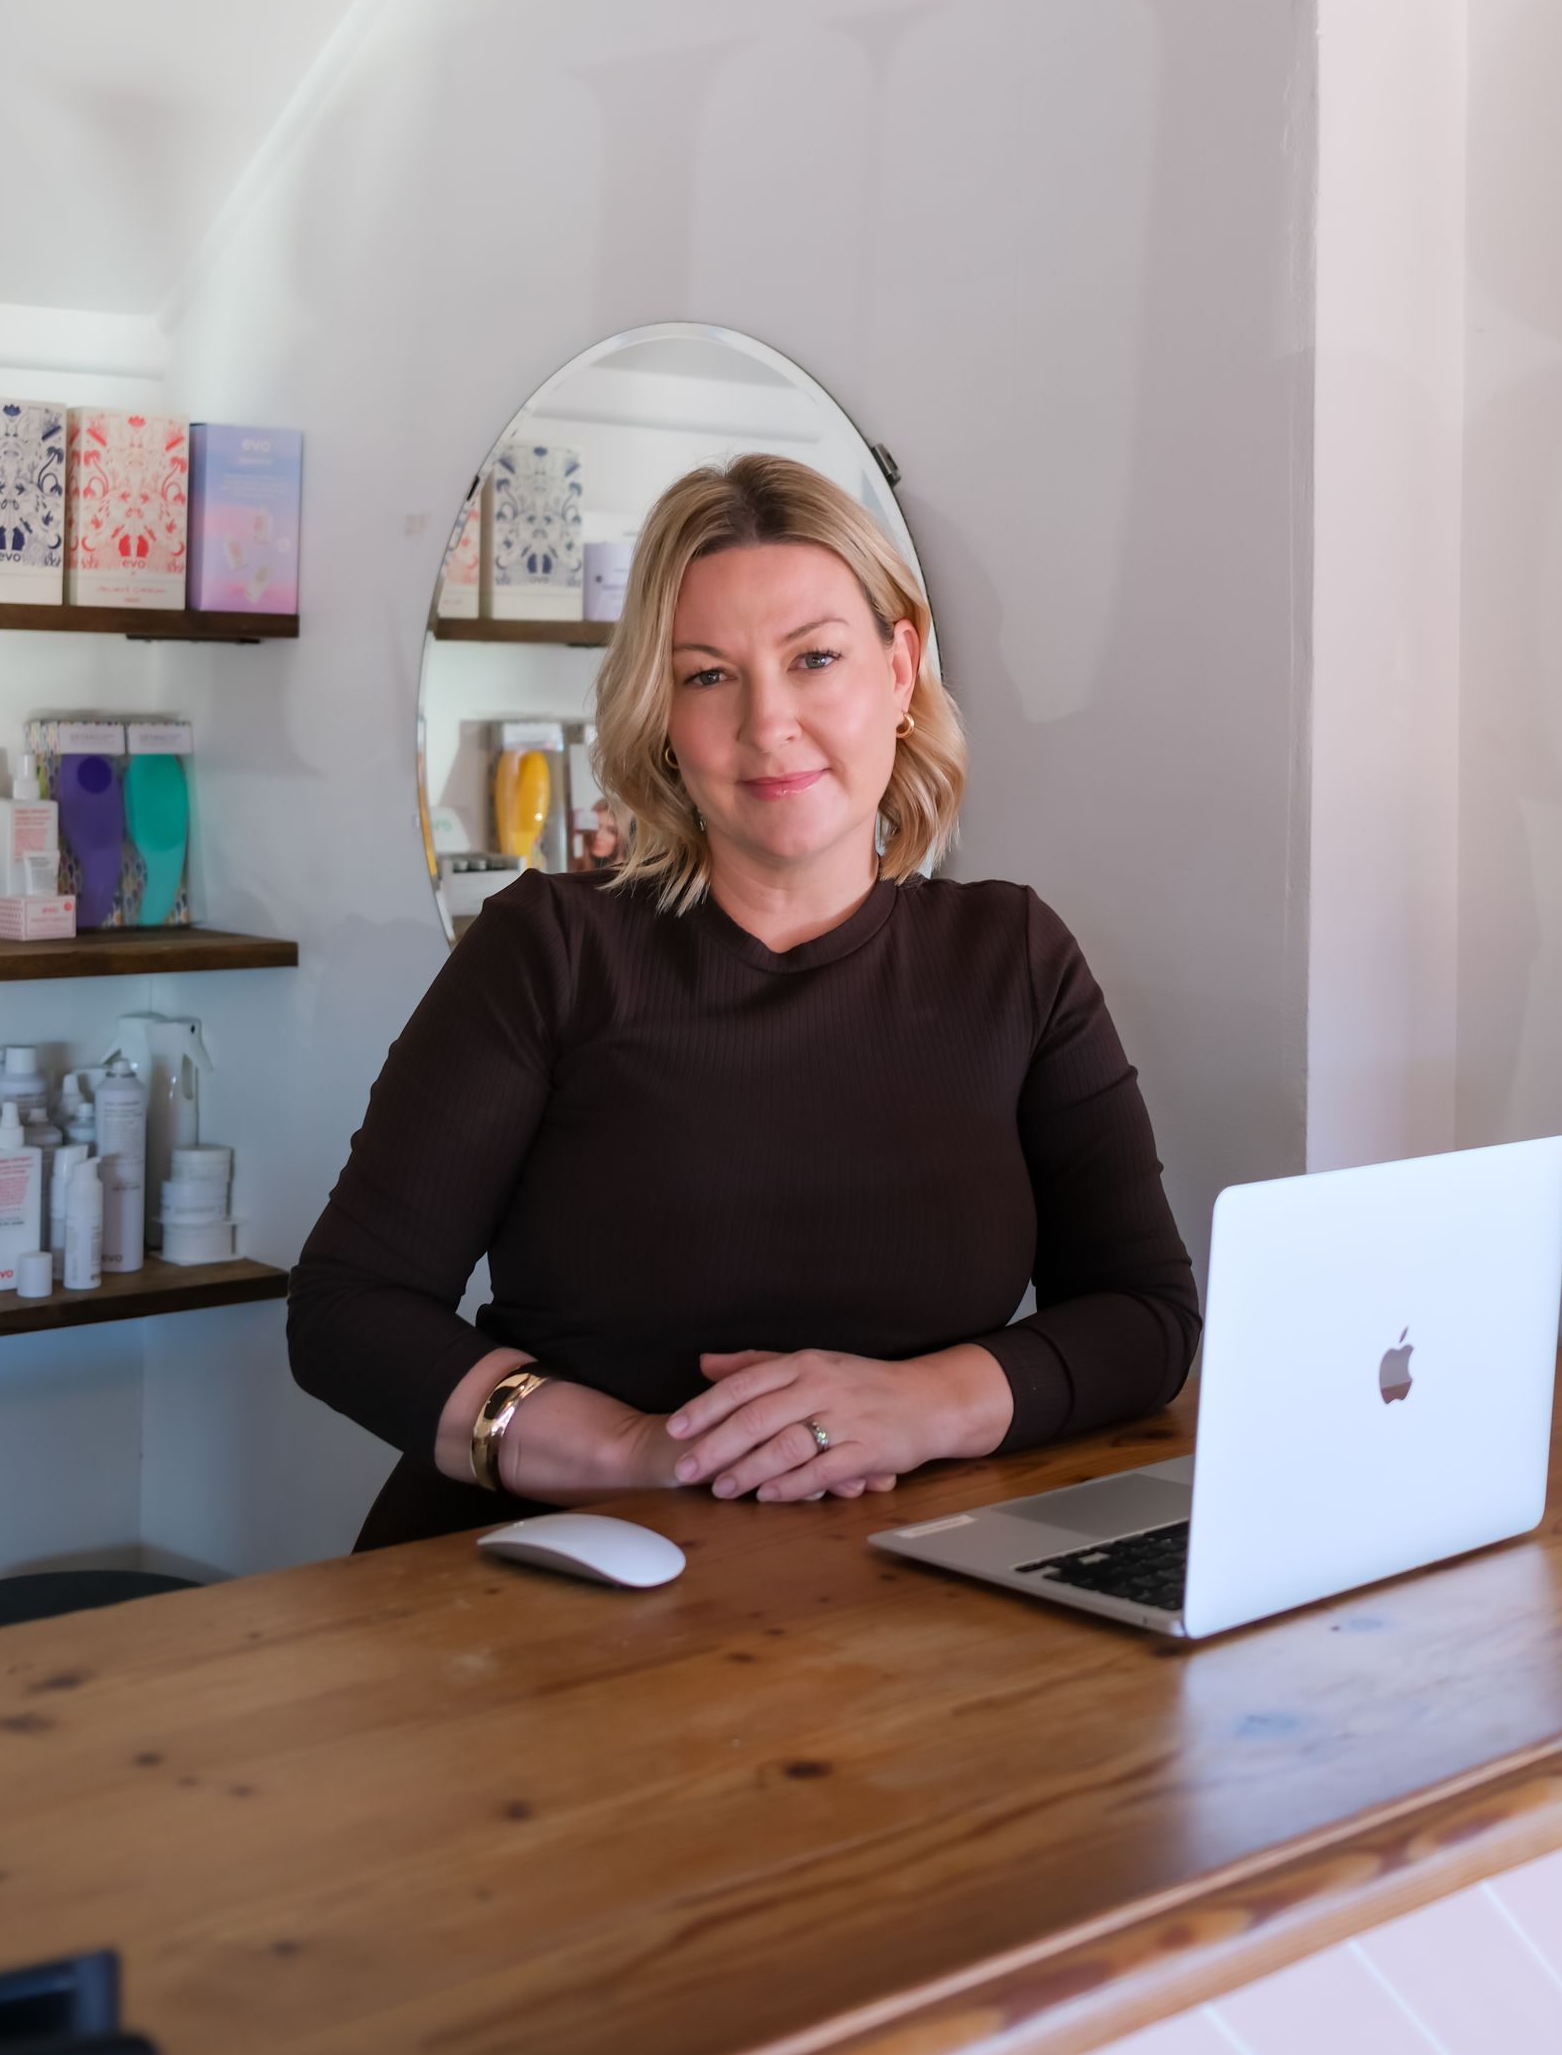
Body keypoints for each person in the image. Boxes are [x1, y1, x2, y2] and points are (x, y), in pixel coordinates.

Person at [289, 454, 1200, 1549]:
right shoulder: (553, 950)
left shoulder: (1014, 959)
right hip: (544, 1589)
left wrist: (922, 1407)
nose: (769, 724)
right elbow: (347, 1311)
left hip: (903, 1595)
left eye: (815, 658)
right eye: (709, 675)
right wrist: (636, 1449)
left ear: (900, 670)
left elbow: (1147, 1316)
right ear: (662, 714)